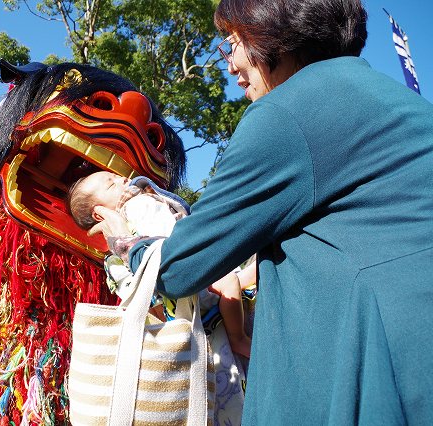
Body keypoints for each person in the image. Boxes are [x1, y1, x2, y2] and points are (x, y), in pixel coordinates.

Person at [88, 0, 433, 423]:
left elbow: (179, 268)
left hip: (369, 371)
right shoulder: (404, 105)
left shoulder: (286, 114)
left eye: (232, 43)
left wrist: (127, 241)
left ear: (270, 32)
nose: (229, 64)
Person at [68, 170, 253, 357]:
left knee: (247, 273)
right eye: (111, 184)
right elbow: (168, 242)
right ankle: (238, 338)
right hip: (185, 288)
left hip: (185, 287)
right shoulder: (137, 207)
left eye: (116, 176)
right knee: (232, 280)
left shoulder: (138, 208)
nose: (122, 178)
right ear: (99, 214)